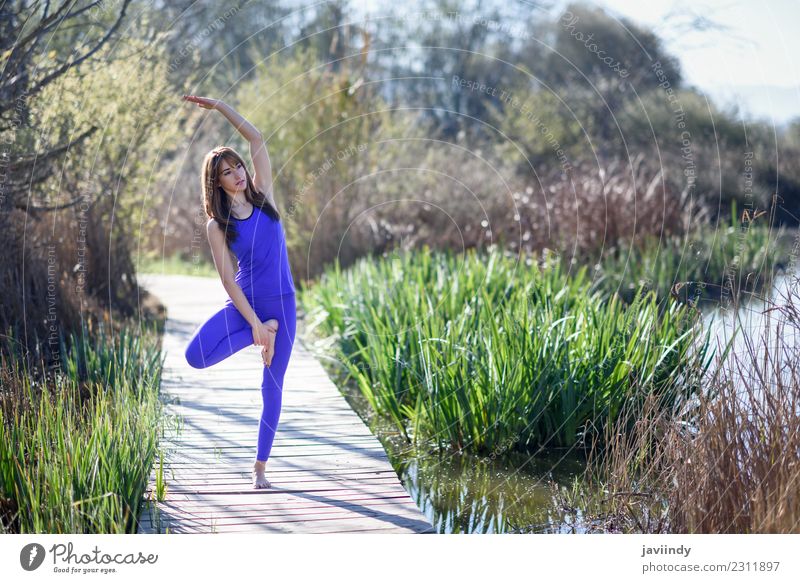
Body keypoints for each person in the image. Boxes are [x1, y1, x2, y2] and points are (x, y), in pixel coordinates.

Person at [181, 94, 296, 489]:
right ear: (217, 183)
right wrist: (256, 328)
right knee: (194, 355)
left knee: (272, 388)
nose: (238, 174)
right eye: (227, 172)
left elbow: (257, 136)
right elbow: (228, 281)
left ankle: (260, 467)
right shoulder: (218, 226)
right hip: (248, 305)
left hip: (283, 307)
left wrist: (218, 107)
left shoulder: (265, 197)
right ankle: (260, 335)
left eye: (238, 166)